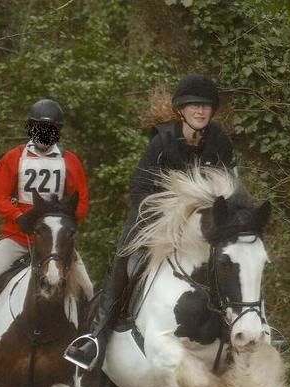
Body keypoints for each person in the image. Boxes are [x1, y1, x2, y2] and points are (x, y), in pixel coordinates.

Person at [64, 74, 236, 370]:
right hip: (159, 219)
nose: (200, 111)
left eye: (206, 106)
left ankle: (255, 329)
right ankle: (97, 336)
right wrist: (171, 213)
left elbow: (230, 184)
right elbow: (139, 188)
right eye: (194, 105)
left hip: (207, 224)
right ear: (181, 110)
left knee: (243, 256)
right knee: (126, 259)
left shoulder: (220, 141)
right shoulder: (162, 141)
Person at [0, 98, 90, 364]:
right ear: (31, 130)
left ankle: (86, 343)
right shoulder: (13, 158)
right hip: (18, 238)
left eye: (50, 129)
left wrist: (63, 224)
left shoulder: (70, 161)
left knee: (87, 286)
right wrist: (18, 216)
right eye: (40, 129)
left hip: (54, 242)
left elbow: (82, 200)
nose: (45, 135)